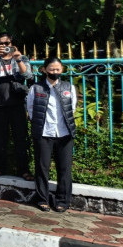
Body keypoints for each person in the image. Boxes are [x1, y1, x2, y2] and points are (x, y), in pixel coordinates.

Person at [27, 57, 77, 212]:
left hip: (64, 133)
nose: (55, 72)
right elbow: (30, 109)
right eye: (52, 69)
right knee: (42, 167)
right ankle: (42, 199)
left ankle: (63, 200)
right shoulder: (36, 88)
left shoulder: (69, 87)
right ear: (44, 70)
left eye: (58, 69)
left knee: (64, 168)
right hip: (44, 133)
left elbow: (72, 109)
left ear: (62, 70)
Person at [0, 32, 34, 180]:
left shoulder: (21, 58)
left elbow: (28, 76)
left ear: (12, 44)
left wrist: (18, 59)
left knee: (21, 138)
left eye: (7, 43)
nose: (4, 46)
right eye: (1, 43)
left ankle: (23, 170)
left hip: (17, 103)